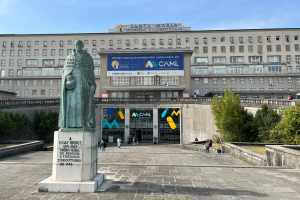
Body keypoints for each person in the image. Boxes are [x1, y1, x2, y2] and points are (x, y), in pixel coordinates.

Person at [58, 40, 96, 131]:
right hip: (72, 84)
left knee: (83, 105)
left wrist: (92, 84)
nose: (77, 46)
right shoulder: (69, 57)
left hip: (84, 81)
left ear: (82, 46)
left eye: (79, 44)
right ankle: (68, 125)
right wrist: (67, 77)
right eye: (76, 44)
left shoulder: (88, 57)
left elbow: (91, 72)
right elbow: (65, 71)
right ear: (74, 46)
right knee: (71, 105)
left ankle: (84, 124)